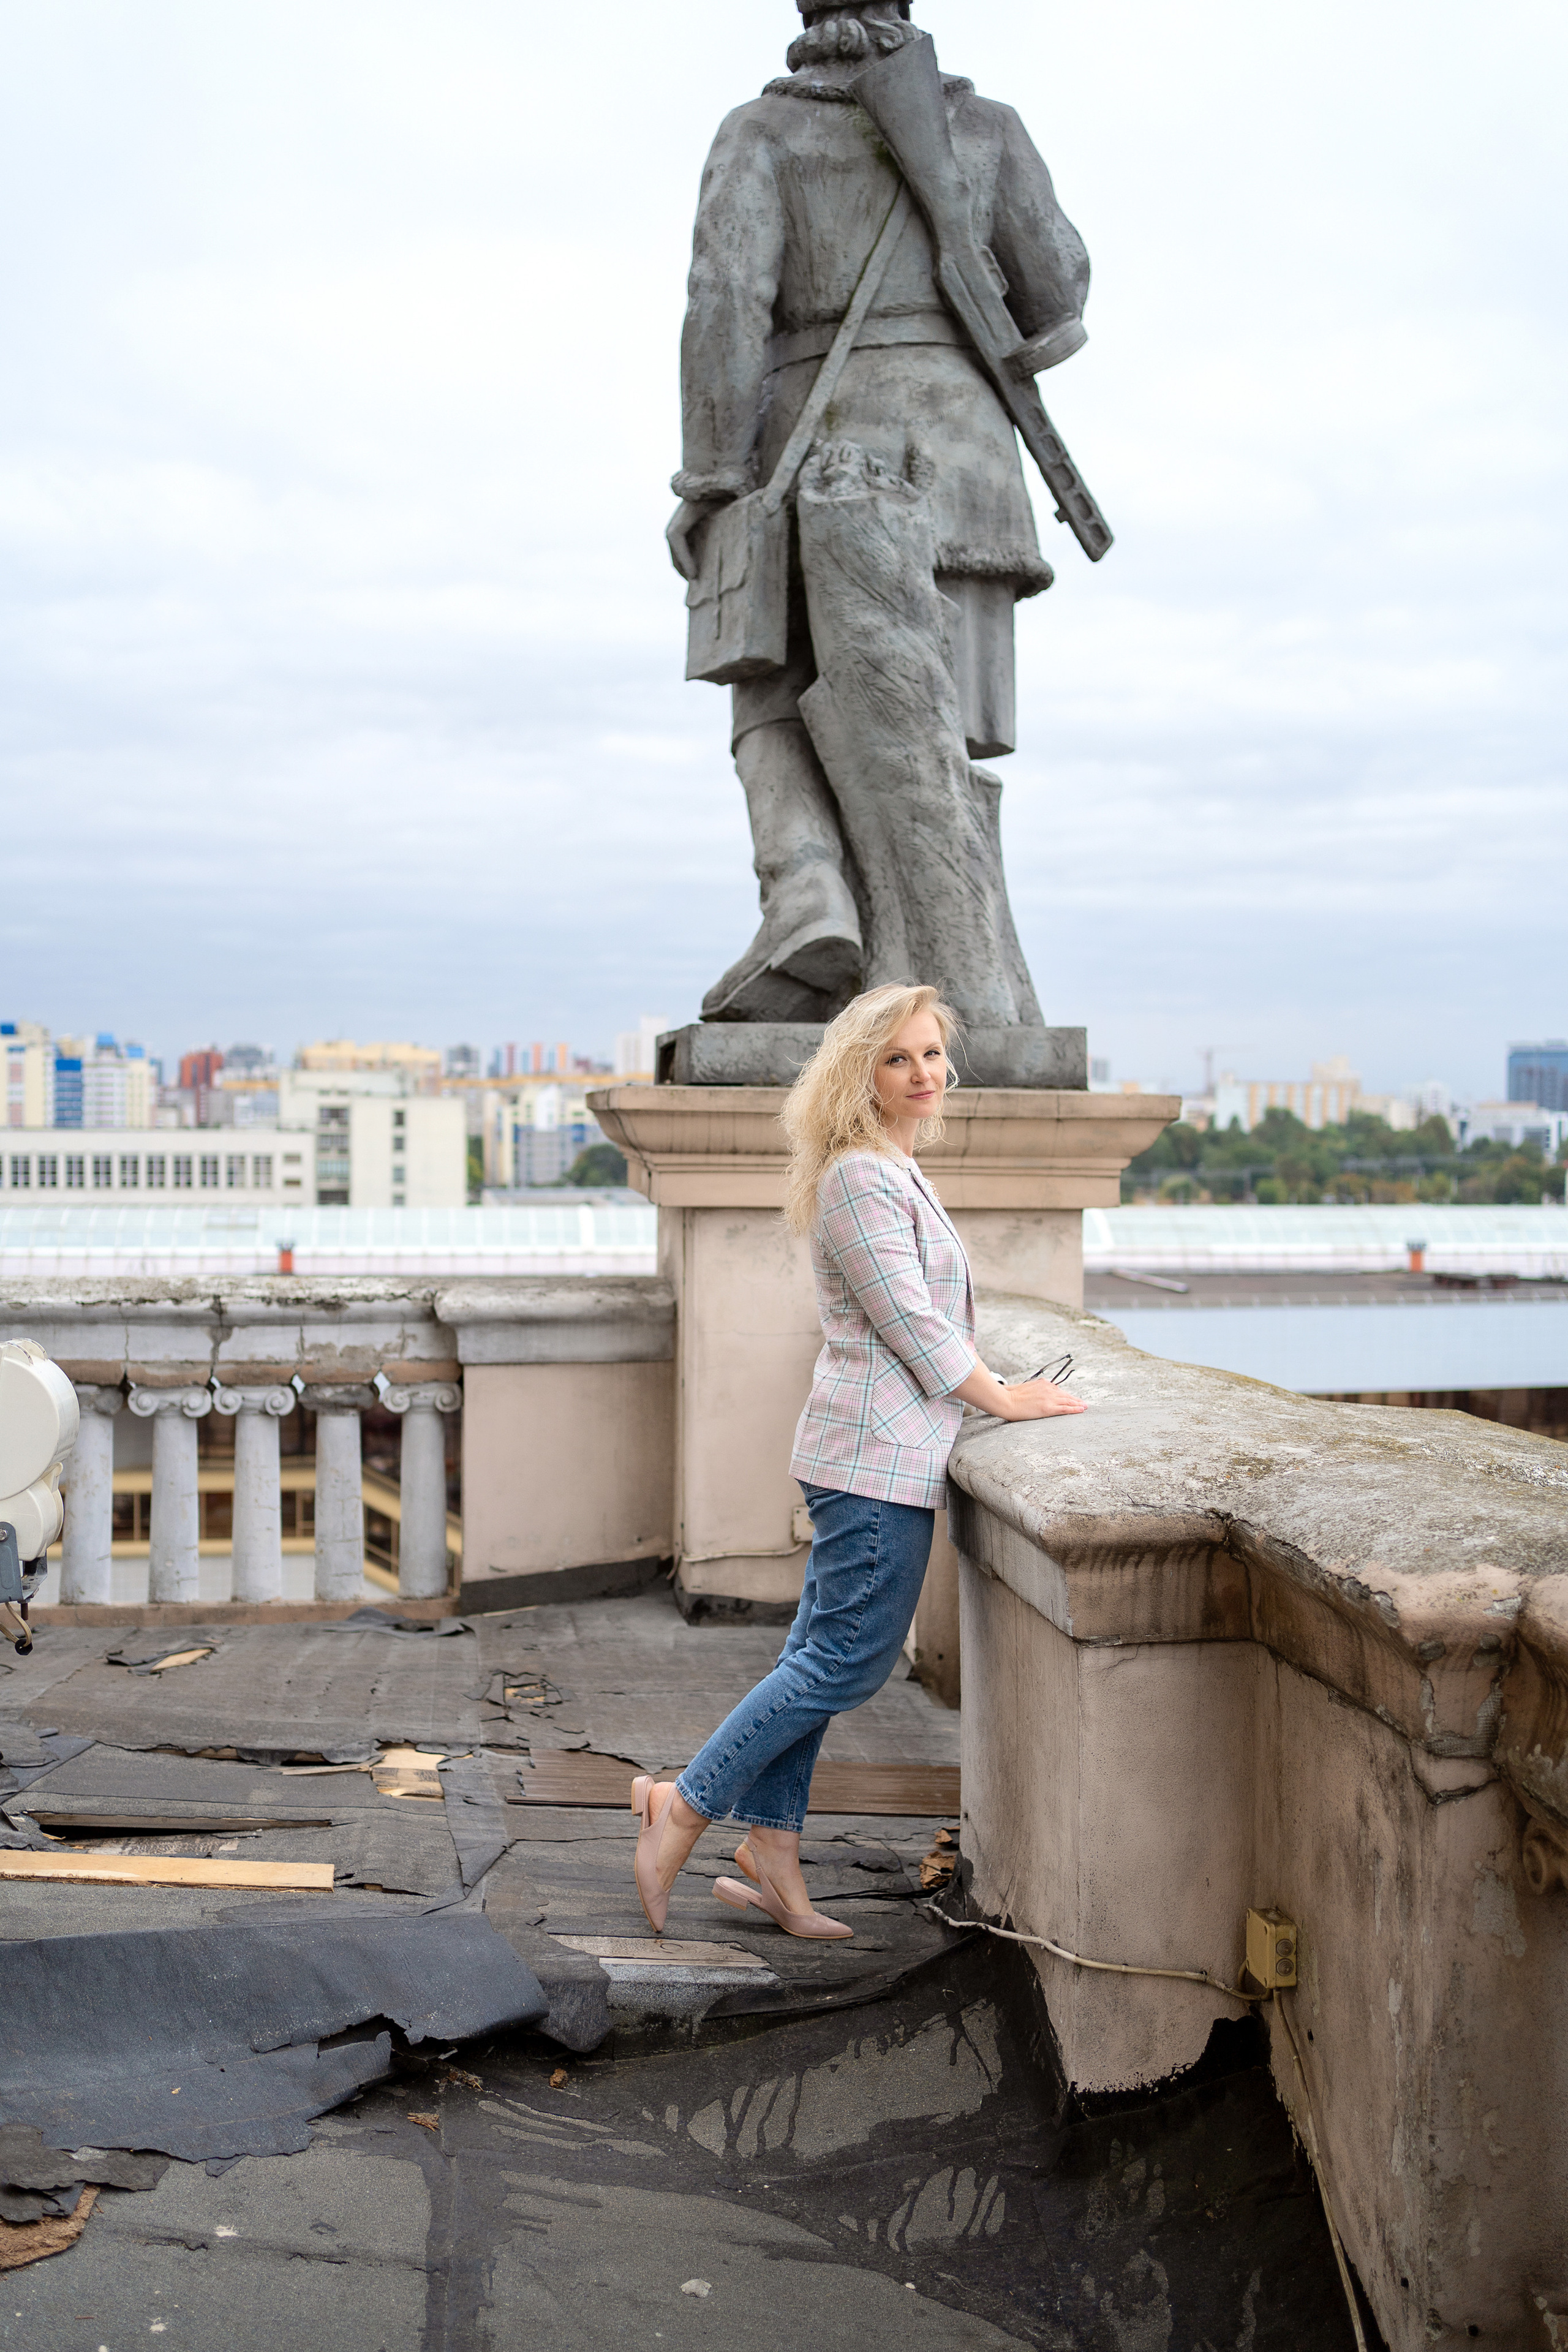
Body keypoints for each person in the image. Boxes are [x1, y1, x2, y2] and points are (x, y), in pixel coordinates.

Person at [631, 982, 1085, 1938]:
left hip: (873, 1453)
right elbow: (911, 1322)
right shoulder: (861, 1179)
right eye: (898, 1058)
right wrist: (1004, 1398)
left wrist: (996, 1383)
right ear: (861, 1075)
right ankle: (682, 1805)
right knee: (844, 1665)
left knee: (815, 1659)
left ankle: (772, 1853)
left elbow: (922, 1316)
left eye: (932, 1054)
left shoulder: (890, 1168)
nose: (923, 1073)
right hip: (873, 1462)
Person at [668, 1, 1091, 1025]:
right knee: (940, 740)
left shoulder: (762, 133)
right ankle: (944, 978)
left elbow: (725, 304)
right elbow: (1059, 295)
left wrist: (710, 479)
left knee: (767, 688)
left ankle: (808, 890)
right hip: (968, 472)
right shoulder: (987, 128)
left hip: (815, 457)